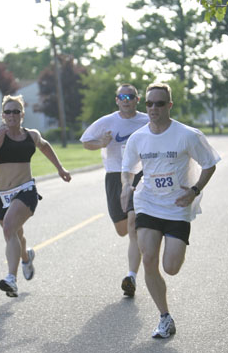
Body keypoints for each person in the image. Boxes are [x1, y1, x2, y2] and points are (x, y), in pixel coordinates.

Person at [121, 82, 220, 338]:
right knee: (149, 257)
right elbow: (128, 168)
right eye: (150, 103)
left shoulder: (187, 135)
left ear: (170, 106)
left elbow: (209, 164)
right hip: (148, 203)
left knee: (171, 267)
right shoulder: (138, 137)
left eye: (160, 103)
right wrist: (125, 187)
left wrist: (195, 190)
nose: (153, 108)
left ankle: (165, 311)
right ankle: (164, 317)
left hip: (177, 207)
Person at [0, 94, 71, 298]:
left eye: (15, 111)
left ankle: (11, 279)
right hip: (1, 195)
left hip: (25, 190)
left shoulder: (31, 135)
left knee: (9, 227)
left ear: (22, 114)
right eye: (7, 112)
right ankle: (26, 257)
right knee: (15, 234)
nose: (11, 115)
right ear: (2, 115)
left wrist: (60, 168)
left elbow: (44, 146)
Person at [80, 83, 149, 297]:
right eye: (122, 96)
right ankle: (142, 239)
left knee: (132, 224)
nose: (126, 99)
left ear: (137, 99)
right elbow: (85, 142)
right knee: (122, 229)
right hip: (114, 174)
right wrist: (101, 143)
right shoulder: (107, 121)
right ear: (117, 100)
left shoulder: (146, 120)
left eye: (130, 96)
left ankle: (131, 276)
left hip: (140, 175)